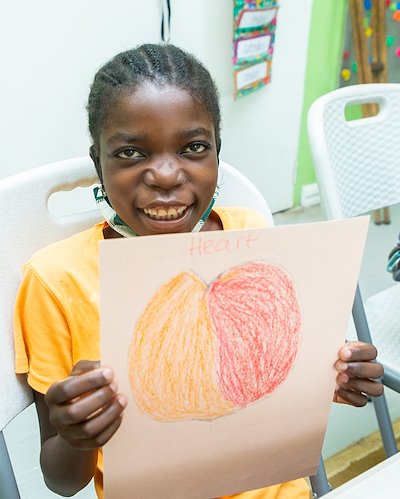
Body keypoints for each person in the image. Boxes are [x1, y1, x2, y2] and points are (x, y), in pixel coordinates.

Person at [14, 44, 384, 499]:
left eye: (193, 148)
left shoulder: (251, 239)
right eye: (131, 152)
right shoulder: (56, 281)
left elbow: (258, 383)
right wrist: (76, 437)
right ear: (98, 165)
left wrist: (330, 373)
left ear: (216, 154)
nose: (166, 175)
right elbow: (61, 481)